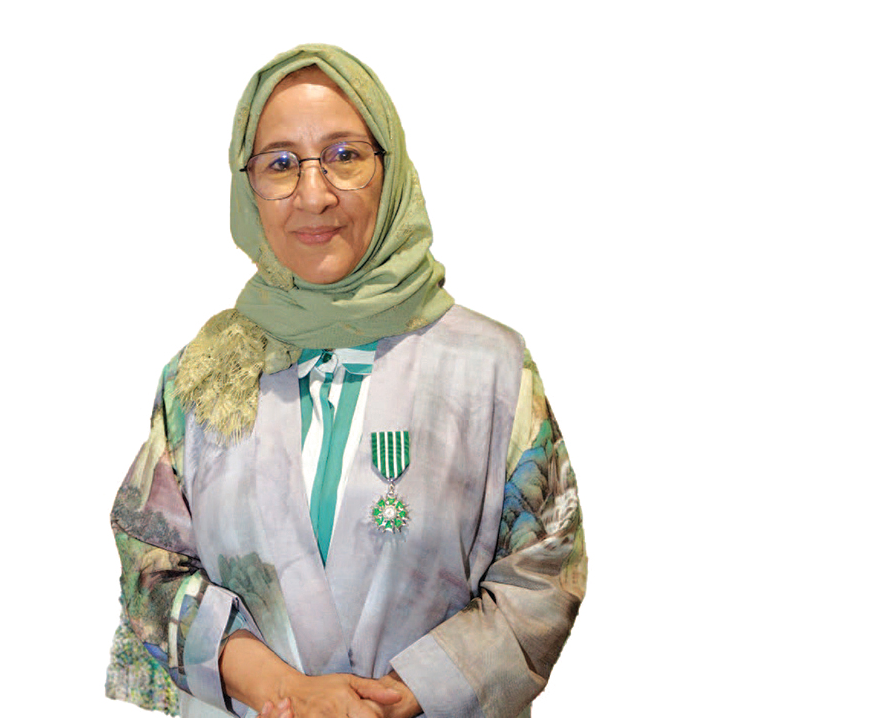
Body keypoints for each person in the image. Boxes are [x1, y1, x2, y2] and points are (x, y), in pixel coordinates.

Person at [105, 44, 586, 718]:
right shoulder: (201, 374)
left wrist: (404, 695)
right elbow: (151, 568)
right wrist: (286, 692)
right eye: (280, 164)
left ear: (390, 168)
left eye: (344, 156)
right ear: (247, 187)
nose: (313, 194)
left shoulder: (490, 368)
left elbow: (545, 569)